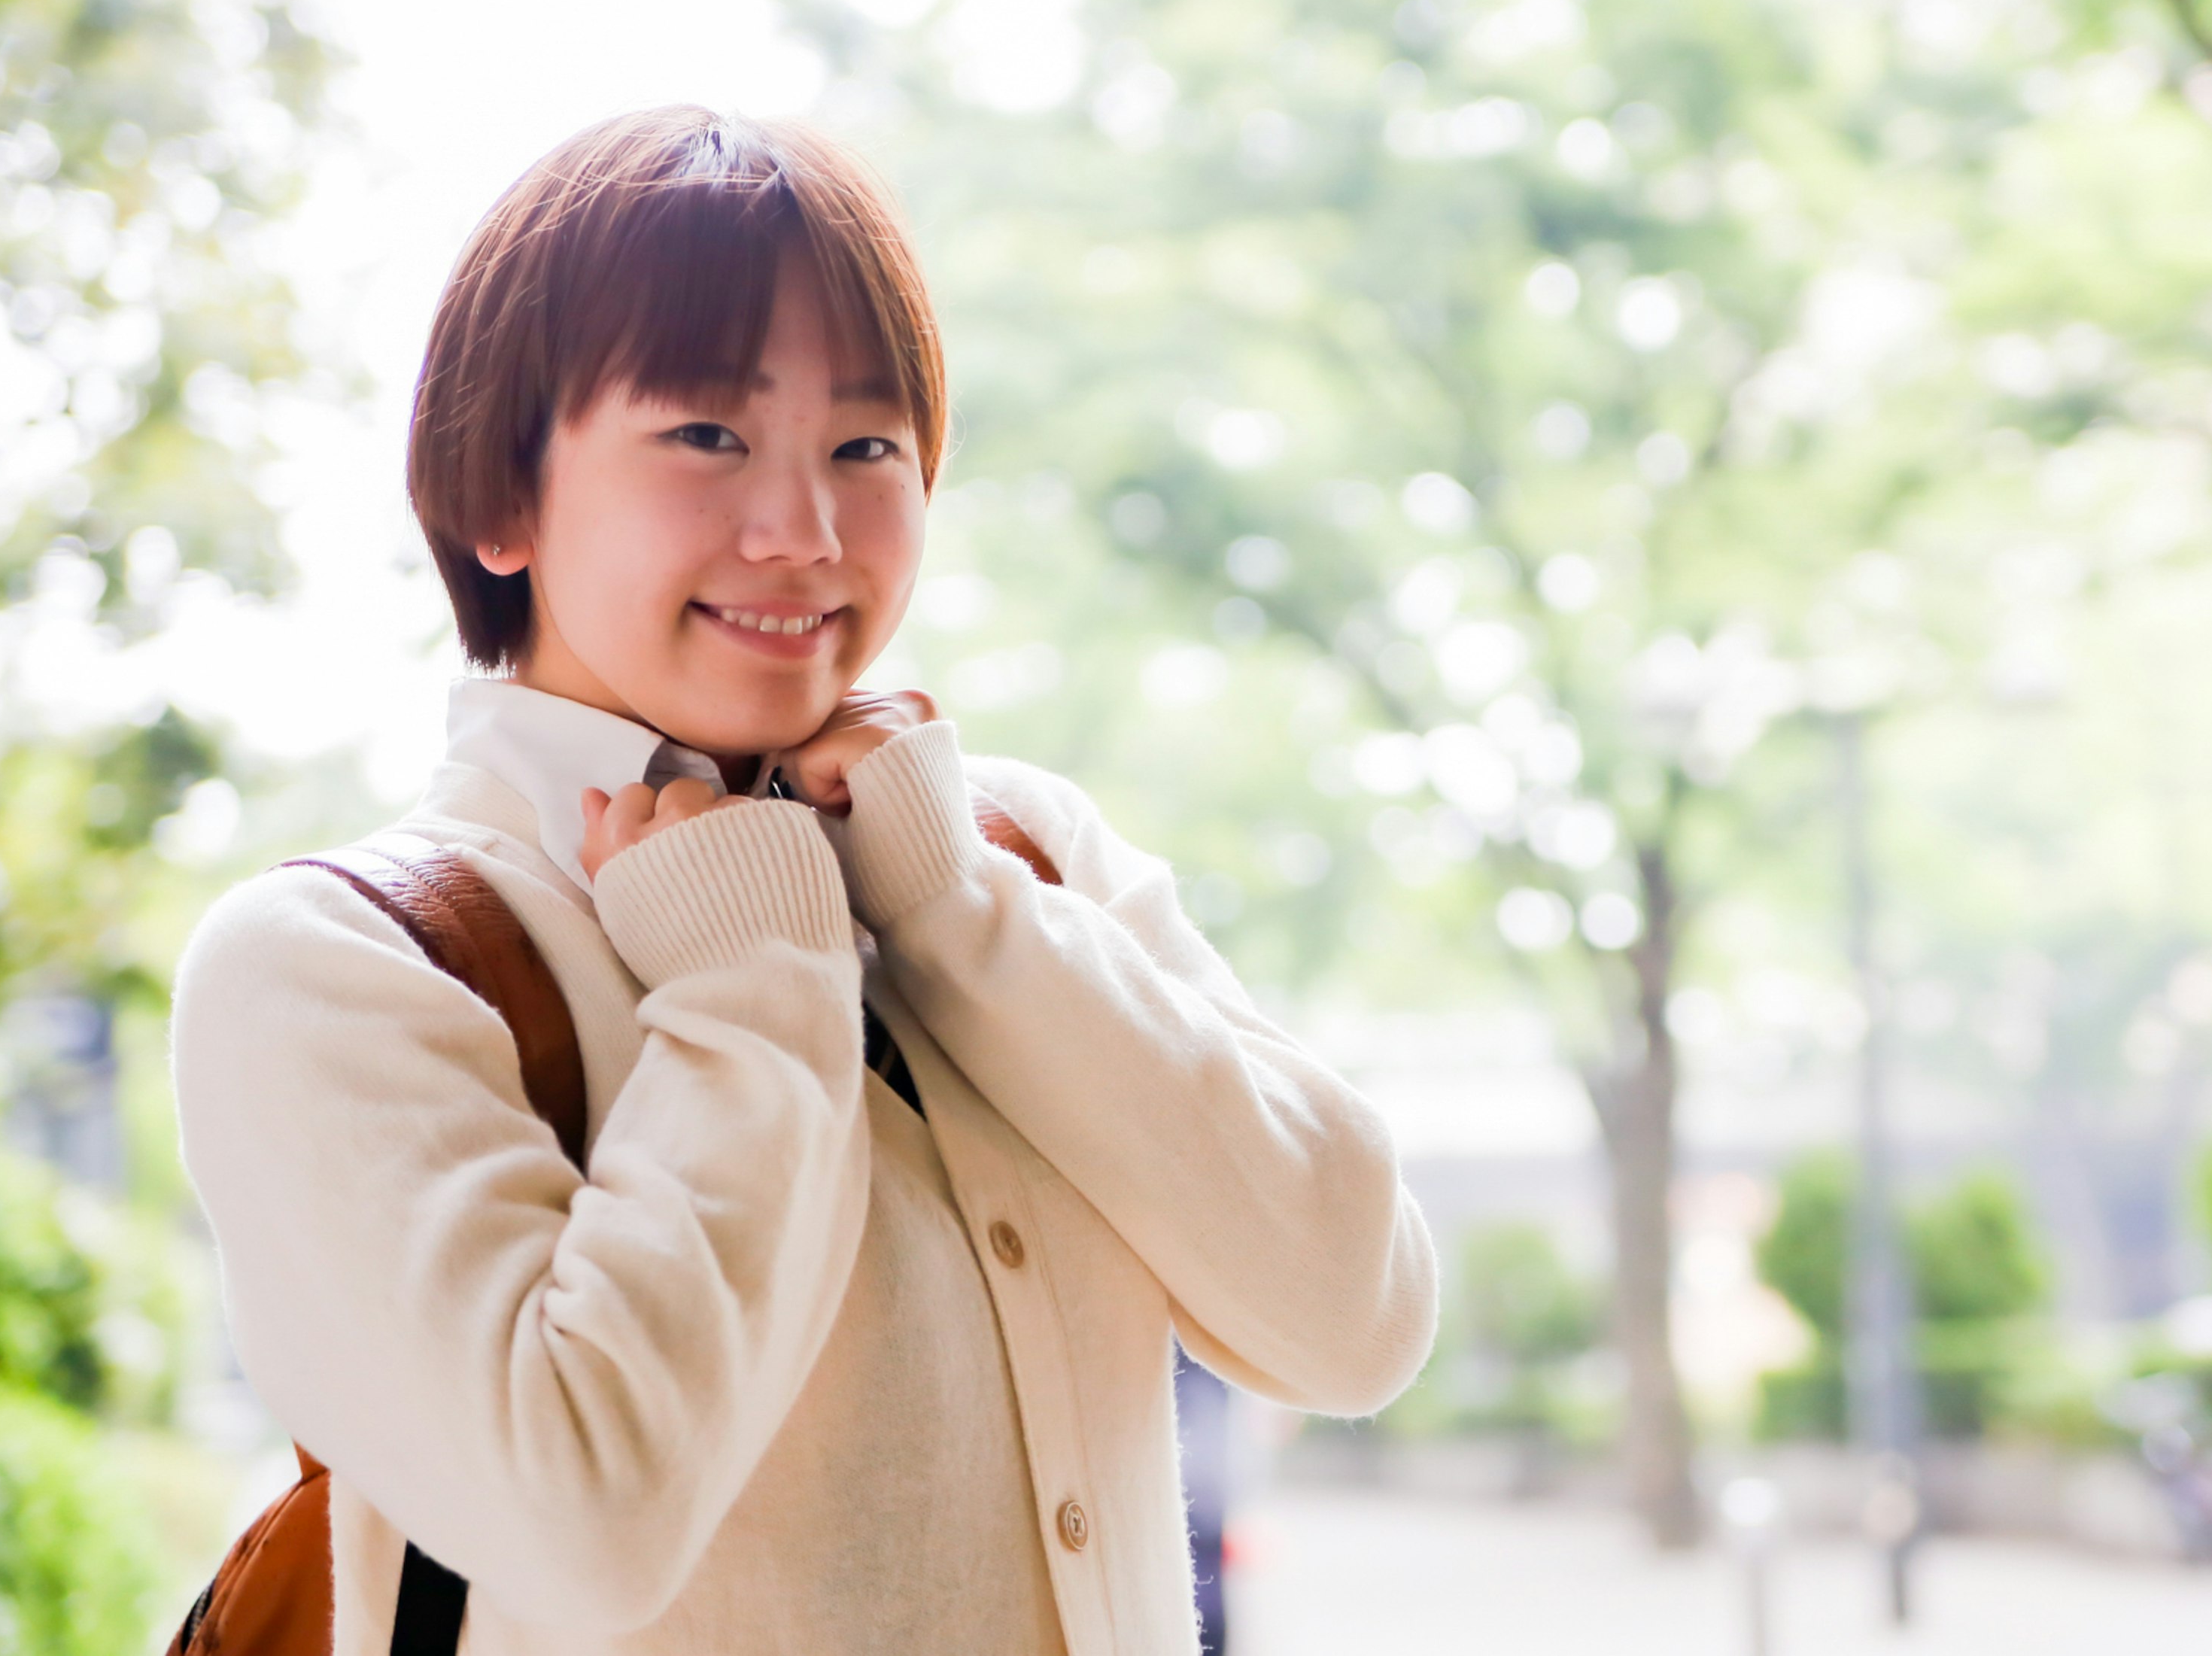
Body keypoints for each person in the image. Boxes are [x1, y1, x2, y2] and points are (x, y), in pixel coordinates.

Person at [169, 107, 1439, 1652]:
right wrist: (752, 986)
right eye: (707, 435)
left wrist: (962, 910)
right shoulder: (339, 964)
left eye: (866, 445)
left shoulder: (1013, 852)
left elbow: (1355, 1314)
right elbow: (582, 1524)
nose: (806, 530)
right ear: (502, 493)